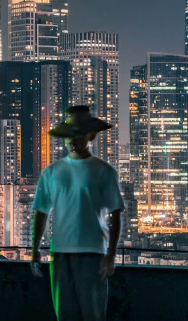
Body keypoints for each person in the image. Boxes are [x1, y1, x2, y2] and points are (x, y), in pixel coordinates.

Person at [30, 105, 125, 321]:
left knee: (93, 314)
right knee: (64, 314)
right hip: (60, 252)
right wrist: (34, 248)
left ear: (90, 135)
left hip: (93, 252)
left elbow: (116, 214)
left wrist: (110, 255)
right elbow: (41, 212)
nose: (73, 140)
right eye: (69, 135)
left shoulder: (104, 171)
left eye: (78, 134)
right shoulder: (52, 172)